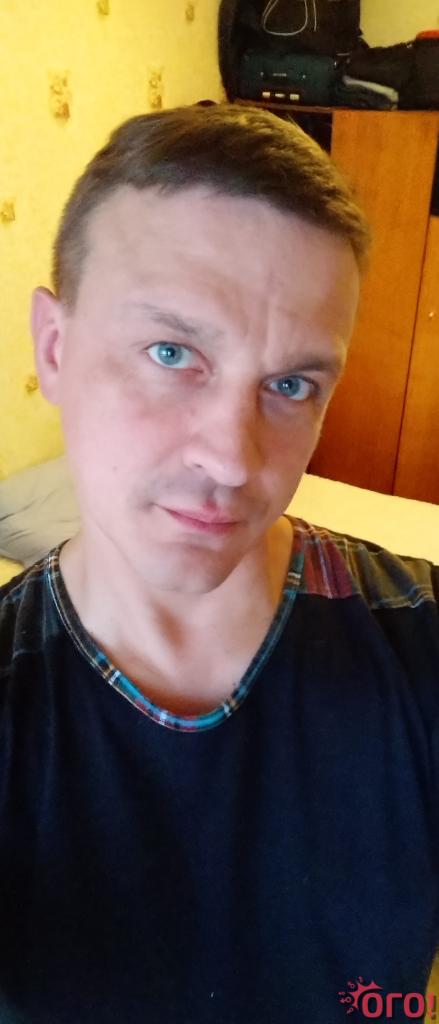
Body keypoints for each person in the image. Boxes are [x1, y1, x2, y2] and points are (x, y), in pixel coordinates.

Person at [0, 102, 438, 1024]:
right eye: (173, 352)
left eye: (290, 385)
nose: (234, 461)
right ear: (55, 349)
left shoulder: (418, 636)